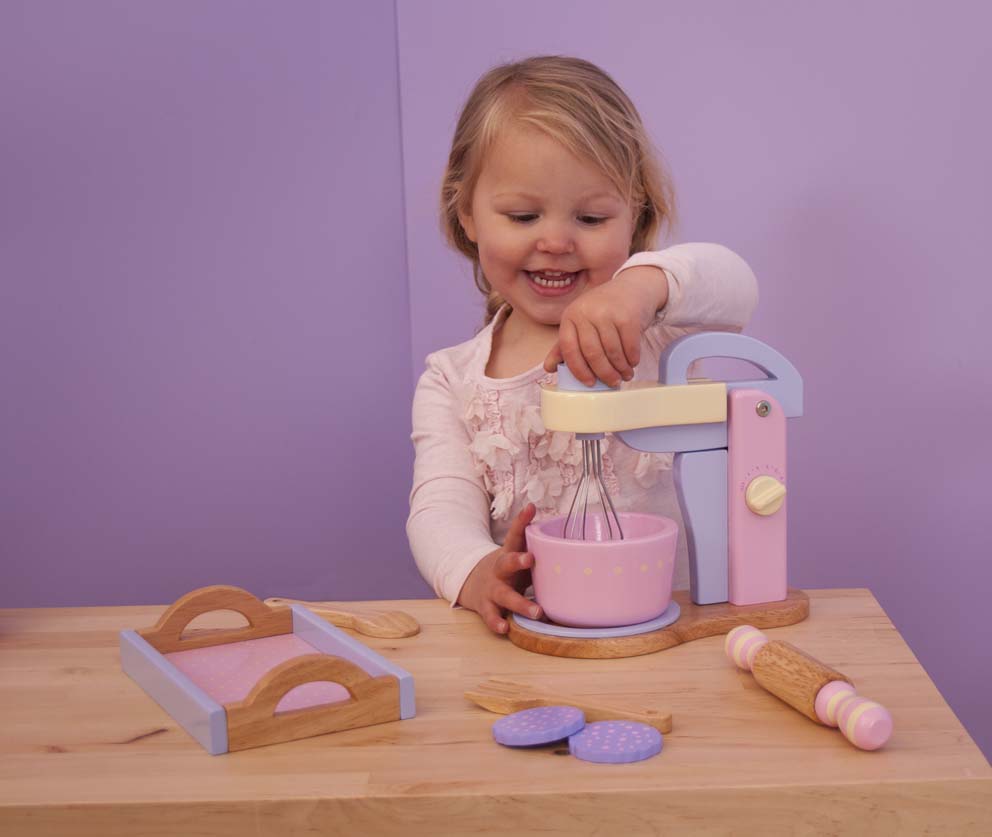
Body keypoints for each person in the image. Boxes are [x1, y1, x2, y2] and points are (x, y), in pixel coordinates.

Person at [407, 56, 758, 634]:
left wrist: (644, 288)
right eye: (523, 215)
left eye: (592, 218)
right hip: (538, 634)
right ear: (466, 212)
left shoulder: (658, 330)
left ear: (634, 212)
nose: (555, 240)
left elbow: (737, 285)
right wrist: (475, 571)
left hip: (677, 629)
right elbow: (438, 508)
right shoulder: (452, 380)